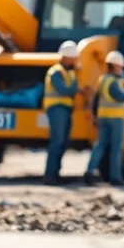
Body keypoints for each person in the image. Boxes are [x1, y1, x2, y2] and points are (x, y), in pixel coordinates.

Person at [84, 50, 124, 186]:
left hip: (103, 117)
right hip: (116, 118)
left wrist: (94, 115)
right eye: (121, 67)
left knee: (100, 145)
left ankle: (89, 171)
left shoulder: (102, 80)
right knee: (116, 148)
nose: (122, 69)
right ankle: (115, 177)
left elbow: (96, 100)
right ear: (115, 66)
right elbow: (120, 97)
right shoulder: (114, 83)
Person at [42, 40, 82, 186]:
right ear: (67, 57)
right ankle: (49, 176)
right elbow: (63, 90)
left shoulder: (68, 73)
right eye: (74, 57)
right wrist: (77, 89)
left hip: (65, 109)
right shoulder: (55, 72)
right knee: (57, 141)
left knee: (64, 142)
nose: (75, 60)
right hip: (56, 108)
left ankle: (56, 174)